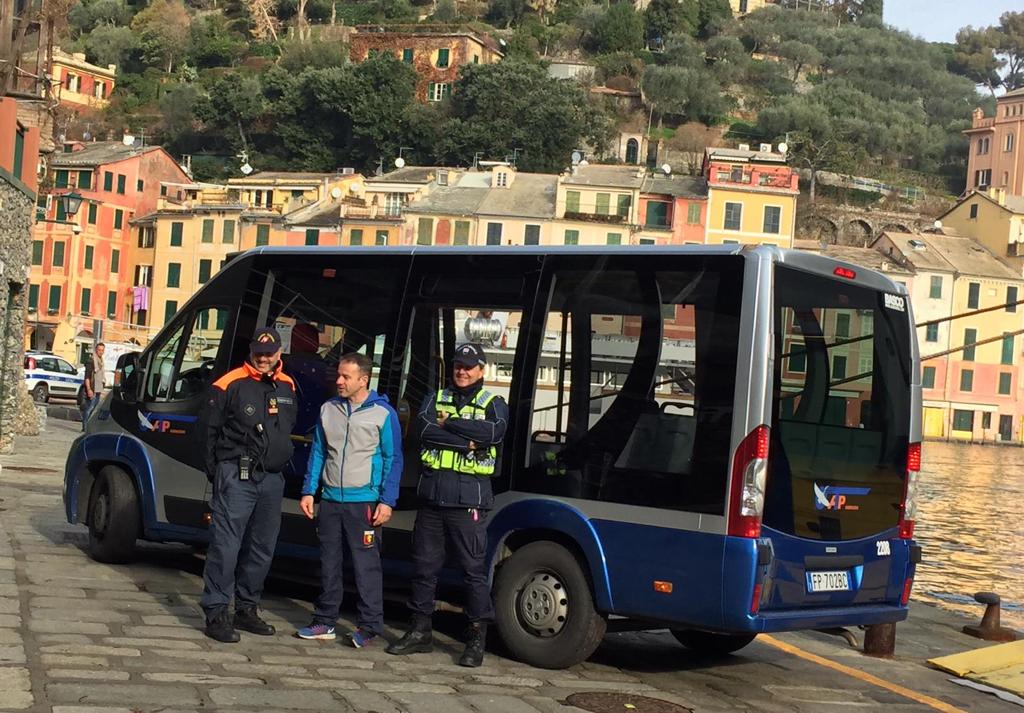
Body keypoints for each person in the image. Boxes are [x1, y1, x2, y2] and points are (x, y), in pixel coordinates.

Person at [387, 343, 507, 668]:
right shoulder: (434, 398)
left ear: (481, 370)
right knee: (424, 568)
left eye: (469, 366)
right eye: (457, 365)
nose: (461, 371)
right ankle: (420, 631)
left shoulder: (493, 403)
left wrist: (449, 424)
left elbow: (494, 433)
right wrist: (469, 440)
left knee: (473, 572)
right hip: (432, 499)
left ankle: (476, 637)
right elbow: (424, 433)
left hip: (469, 501)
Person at [296, 352, 403, 647]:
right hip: (330, 499)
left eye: (346, 376)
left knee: (365, 565)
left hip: (365, 501)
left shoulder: (384, 414)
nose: (339, 381)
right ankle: (325, 620)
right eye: (338, 375)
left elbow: (394, 459)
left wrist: (387, 500)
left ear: (363, 379)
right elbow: (318, 452)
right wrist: (309, 490)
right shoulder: (328, 409)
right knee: (328, 562)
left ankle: (369, 625)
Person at [200, 327, 297, 643]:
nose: (264, 358)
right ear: (251, 352)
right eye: (258, 353)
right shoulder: (229, 384)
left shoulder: (287, 385)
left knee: (262, 548)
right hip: (236, 476)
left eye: (269, 354)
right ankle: (216, 613)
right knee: (226, 546)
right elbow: (209, 435)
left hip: (272, 479)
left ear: (279, 354)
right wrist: (218, 474)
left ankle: (246, 609)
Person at [81, 342, 106, 430]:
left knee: (94, 409)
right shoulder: (91, 361)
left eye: (102, 350)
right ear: (96, 350)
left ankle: (89, 427)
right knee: (89, 408)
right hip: (92, 388)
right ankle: (85, 427)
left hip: (98, 389)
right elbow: (87, 377)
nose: (101, 352)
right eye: (99, 350)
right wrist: (89, 389)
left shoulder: (101, 361)